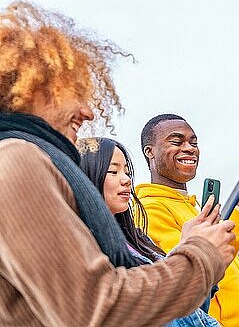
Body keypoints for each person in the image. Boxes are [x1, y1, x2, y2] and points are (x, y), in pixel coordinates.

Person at [0, 1, 235, 326]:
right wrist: (201, 254)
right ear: (34, 86)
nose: (89, 111)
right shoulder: (15, 158)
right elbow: (96, 309)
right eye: (76, 91)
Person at [136, 113, 239, 327]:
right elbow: (195, 270)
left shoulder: (191, 206)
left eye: (193, 142)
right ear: (150, 151)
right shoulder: (149, 210)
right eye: (177, 141)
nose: (189, 148)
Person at [78, 137, 221, 327]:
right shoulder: (89, 251)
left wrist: (194, 250)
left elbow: (190, 310)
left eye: (127, 172)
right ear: (86, 177)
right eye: (113, 171)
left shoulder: (137, 239)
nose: (126, 180)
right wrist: (191, 252)